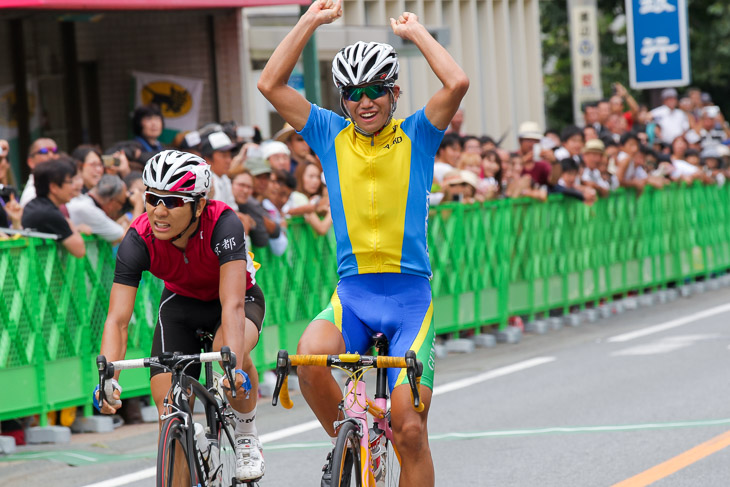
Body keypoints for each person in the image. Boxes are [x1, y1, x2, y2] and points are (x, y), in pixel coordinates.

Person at [257, 2, 469, 486]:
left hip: (410, 299)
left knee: (410, 431)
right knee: (308, 361)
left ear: (394, 91)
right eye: (353, 93)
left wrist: (415, 33)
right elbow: (269, 84)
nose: (364, 102)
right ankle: (352, 441)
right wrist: (308, 22)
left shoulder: (418, 134)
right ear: (343, 99)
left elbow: (456, 83)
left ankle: (390, 436)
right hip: (352, 295)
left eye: (376, 90)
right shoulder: (328, 133)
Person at [94, 150, 266, 482]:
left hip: (234, 300)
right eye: (152, 198)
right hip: (179, 305)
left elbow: (230, 304)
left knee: (230, 355)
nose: (159, 211)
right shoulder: (138, 238)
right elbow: (117, 318)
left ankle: (246, 435)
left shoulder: (224, 223)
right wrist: (107, 377)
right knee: (168, 410)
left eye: (173, 201)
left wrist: (232, 367)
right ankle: (186, 442)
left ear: (198, 205)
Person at [21, 157, 86, 257]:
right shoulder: (49, 214)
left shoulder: (33, 205)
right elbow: (79, 251)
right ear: (54, 187)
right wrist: (69, 223)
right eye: (69, 182)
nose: (73, 187)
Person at [19, 137, 60, 207]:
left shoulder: (63, 186)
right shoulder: (32, 194)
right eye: (44, 151)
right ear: (30, 162)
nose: (51, 155)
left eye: (55, 151)